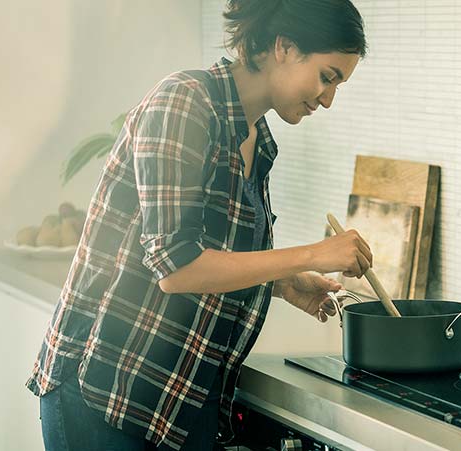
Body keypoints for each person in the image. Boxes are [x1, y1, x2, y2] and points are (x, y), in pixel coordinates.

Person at [26, 0, 370, 450]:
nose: (328, 99)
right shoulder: (185, 102)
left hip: (175, 403)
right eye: (327, 77)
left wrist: (282, 282)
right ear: (283, 47)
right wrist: (313, 253)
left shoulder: (256, 140)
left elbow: (208, 257)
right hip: (106, 393)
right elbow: (175, 267)